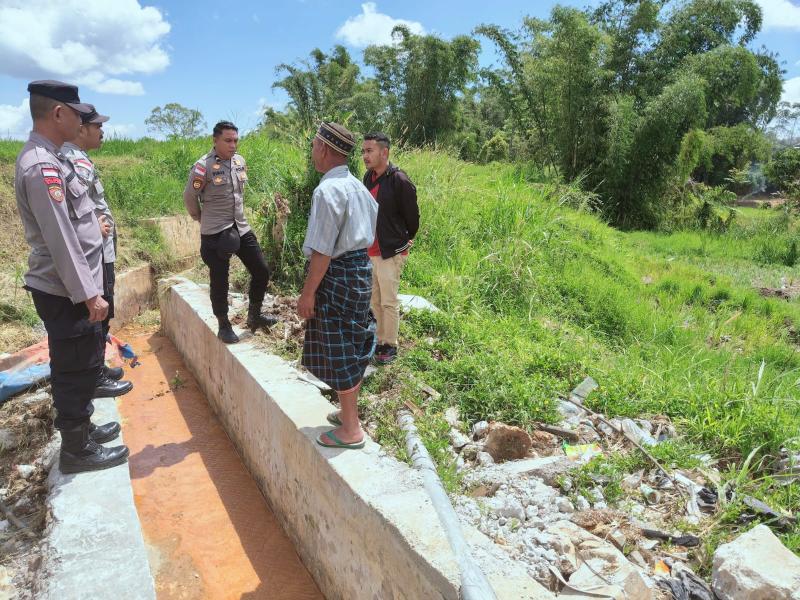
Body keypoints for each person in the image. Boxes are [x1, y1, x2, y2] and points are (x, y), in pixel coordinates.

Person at [15, 80, 129, 474]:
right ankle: (77, 451)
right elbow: (62, 240)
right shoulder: (41, 166)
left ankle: (84, 432)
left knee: (79, 364)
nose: (83, 121)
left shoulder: (55, 158)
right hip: (66, 290)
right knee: (73, 368)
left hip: (72, 287)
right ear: (58, 113)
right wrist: (89, 294)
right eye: (77, 114)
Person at [298, 122, 377, 450]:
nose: (313, 150)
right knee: (353, 338)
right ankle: (348, 416)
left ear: (325, 150)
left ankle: (351, 430)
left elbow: (322, 250)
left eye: (315, 145)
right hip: (360, 270)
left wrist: (308, 293)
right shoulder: (357, 187)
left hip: (337, 273)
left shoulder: (328, 191)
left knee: (341, 345)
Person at [62, 104, 133, 397]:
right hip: (94, 252)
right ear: (81, 129)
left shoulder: (82, 159)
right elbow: (73, 209)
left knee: (104, 314)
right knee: (97, 315)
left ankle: (99, 370)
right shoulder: (74, 162)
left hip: (101, 250)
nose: (102, 131)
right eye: (97, 126)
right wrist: (94, 229)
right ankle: (96, 378)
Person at [183, 121, 276, 344]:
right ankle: (224, 325)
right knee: (220, 280)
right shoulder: (202, 167)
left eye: (235, 140)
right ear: (215, 141)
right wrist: (200, 218)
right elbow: (189, 197)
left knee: (261, 270)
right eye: (228, 140)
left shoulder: (239, 162)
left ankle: (254, 316)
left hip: (240, 226)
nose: (233, 145)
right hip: (216, 231)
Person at [361, 132, 419, 364]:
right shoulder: (368, 178)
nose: (365, 155)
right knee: (374, 299)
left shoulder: (399, 180)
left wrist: (404, 240)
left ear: (384, 153)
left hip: (390, 251)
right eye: (363, 151)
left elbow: (412, 217)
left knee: (388, 300)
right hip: (370, 250)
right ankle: (378, 339)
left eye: (369, 151)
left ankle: (390, 344)